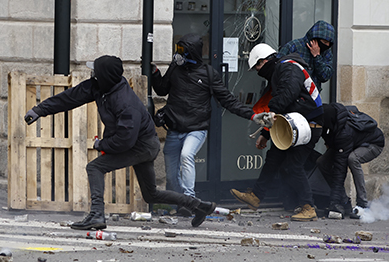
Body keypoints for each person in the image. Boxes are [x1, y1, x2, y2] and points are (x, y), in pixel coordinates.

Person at [24, 55, 217, 230]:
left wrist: (102, 145)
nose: (92, 74)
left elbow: (125, 140)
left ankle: (97, 214)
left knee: (95, 167)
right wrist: (39, 110)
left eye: (95, 71)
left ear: (105, 76)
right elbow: (70, 98)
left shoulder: (125, 103)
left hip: (143, 146)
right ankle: (200, 206)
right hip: (136, 143)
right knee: (151, 195)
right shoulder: (100, 87)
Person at [151, 34, 259, 213]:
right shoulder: (175, 69)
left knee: (187, 156)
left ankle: (190, 200)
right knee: (171, 174)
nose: (178, 55)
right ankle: (181, 203)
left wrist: (253, 116)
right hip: (175, 128)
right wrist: (155, 73)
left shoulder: (209, 74)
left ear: (191, 53)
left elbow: (228, 100)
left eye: (182, 51)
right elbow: (162, 89)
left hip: (196, 128)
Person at [230, 43, 325, 221]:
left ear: (265, 61)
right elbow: (284, 104)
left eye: (258, 66)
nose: (258, 70)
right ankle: (256, 197)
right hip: (297, 124)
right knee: (273, 159)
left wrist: (271, 110)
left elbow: (287, 94)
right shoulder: (282, 69)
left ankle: (309, 207)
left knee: (293, 166)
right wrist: (266, 134)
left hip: (309, 125)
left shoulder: (288, 68)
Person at [317, 103, 384, 219]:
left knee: (353, 159)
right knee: (322, 162)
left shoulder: (344, 132)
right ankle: (344, 201)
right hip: (351, 142)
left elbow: (340, 169)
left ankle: (362, 204)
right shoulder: (330, 124)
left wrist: (334, 201)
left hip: (373, 143)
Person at [277, 20, 335, 90]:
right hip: (292, 93)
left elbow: (325, 76)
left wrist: (317, 56)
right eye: (325, 42)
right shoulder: (294, 46)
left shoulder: (326, 52)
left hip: (313, 95)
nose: (327, 45)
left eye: (329, 44)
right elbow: (278, 67)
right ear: (315, 38)